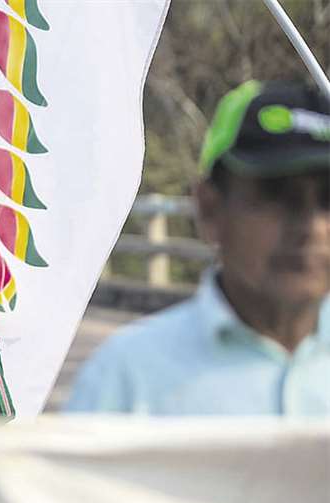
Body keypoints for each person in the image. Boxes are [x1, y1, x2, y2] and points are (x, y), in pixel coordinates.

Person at [66, 80, 330, 415]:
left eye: (328, 199)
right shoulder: (126, 381)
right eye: (275, 195)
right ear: (210, 208)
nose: (310, 227)